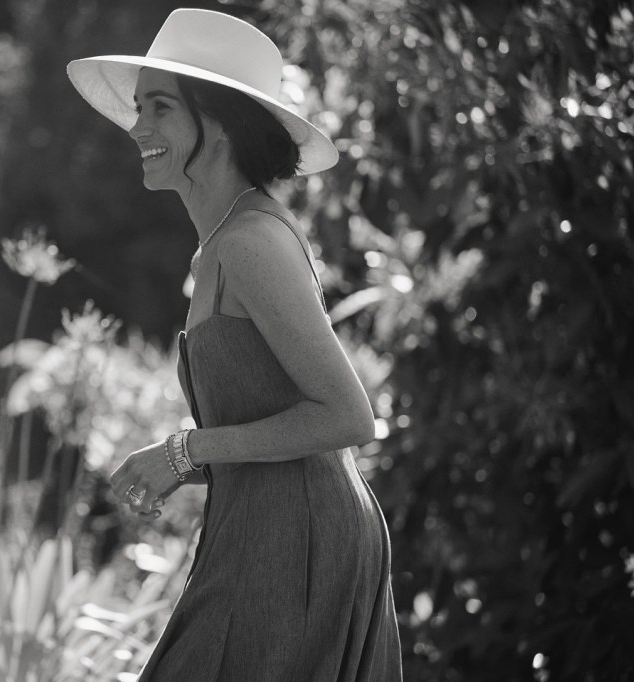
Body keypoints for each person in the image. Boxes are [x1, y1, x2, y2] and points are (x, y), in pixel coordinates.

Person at [67, 8, 402, 681]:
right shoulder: (223, 243)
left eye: (159, 108)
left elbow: (346, 416)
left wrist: (184, 451)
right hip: (264, 534)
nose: (137, 128)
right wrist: (186, 465)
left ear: (218, 119)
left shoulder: (250, 244)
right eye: (138, 108)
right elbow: (270, 410)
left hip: (299, 547)